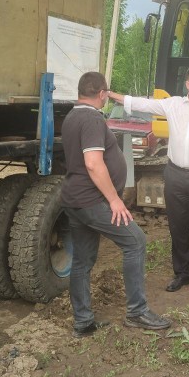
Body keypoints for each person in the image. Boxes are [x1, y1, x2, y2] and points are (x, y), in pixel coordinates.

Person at [60, 71, 171, 338]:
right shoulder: (91, 118)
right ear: (101, 94)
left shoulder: (72, 116)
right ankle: (137, 312)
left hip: (75, 199)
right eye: (106, 94)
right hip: (92, 200)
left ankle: (83, 322)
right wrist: (114, 200)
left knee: (82, 260)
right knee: (135, 241)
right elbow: (93, 164)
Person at [108, 67, 189, 292]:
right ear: (188, 84)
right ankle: (182, 273)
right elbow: (144, 104)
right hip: (175, 174)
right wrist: (115, 96)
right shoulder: (173, 105)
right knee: (177, 225)